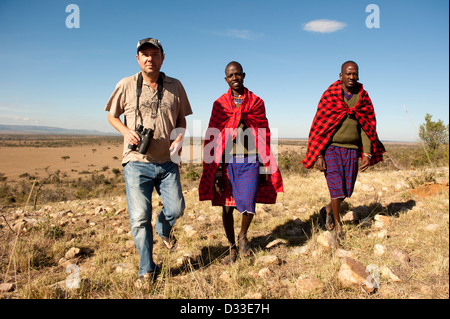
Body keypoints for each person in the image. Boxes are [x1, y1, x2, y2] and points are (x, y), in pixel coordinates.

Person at [105, 38, 193, 285]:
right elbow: (111, 116)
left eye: (154, 54)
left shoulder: (176, 86)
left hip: (167, 161)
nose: (149, 59)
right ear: (137, 59)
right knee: (140, 217)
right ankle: (147, 269)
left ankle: (164, 229)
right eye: (144, 54)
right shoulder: (126, 84)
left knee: (176, 208)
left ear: (163, 57)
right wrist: (125, 131)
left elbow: (182, 121)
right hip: (136, 160)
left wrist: (179, 139)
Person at [199, 61, 283, 264]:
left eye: (238, 74)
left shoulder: (256, 102)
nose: (235, 78)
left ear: (244, 75)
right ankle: (232, 248)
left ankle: (243, 235)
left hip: (251, 160)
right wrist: (217, 171)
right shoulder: (220, 105)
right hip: (227, 163)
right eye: (231, 75)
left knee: (249, 202)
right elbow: (214, 137)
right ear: (226, 79)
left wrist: (265, 167)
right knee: (227, 208)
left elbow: (264, 136)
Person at [302, 61, 385, 237]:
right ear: (341, 76)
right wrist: (318, 154)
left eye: (355, 74)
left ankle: (327, 210)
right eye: (348, 74)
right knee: (336, 187)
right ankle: (338, 225)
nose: (352, 77)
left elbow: (367, 127)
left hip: (352, 150)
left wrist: (367, 153)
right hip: (331, 148)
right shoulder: (330, 95)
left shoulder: (363, 97)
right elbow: (319, 126)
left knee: (346, 189)